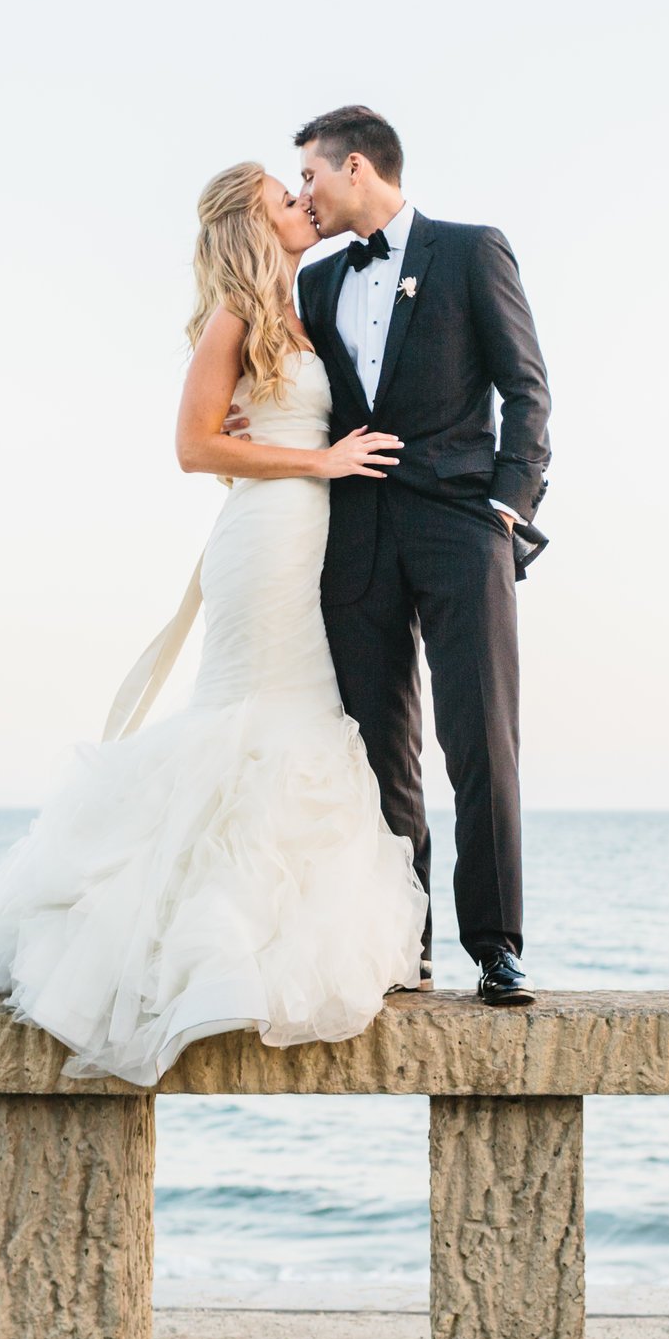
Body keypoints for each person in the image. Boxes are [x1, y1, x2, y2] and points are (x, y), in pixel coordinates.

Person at [0, 160, 442, 1087]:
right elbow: (192, 446)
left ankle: (263, 932)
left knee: (302, 717)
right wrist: (320, 461)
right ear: (251, 225)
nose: (300, 202)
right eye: (281, 198)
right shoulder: (235, 318)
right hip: (266, 536)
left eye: (301, 191)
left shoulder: (306, 307)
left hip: (313, 533)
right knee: (251, 715)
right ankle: (184, 940)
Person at [225, 106, 549, 1007]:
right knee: (379, 752)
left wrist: (508, 509)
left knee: (481, 739)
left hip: (460, 529)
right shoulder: (317, 283)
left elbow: (528, 389)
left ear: (355, 168)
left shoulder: (472, 250)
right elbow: (298, 389)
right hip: (353, 541)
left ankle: (496, 947)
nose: (304, 195)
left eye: (311, 178)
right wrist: (253, 422)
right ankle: (409, 945)